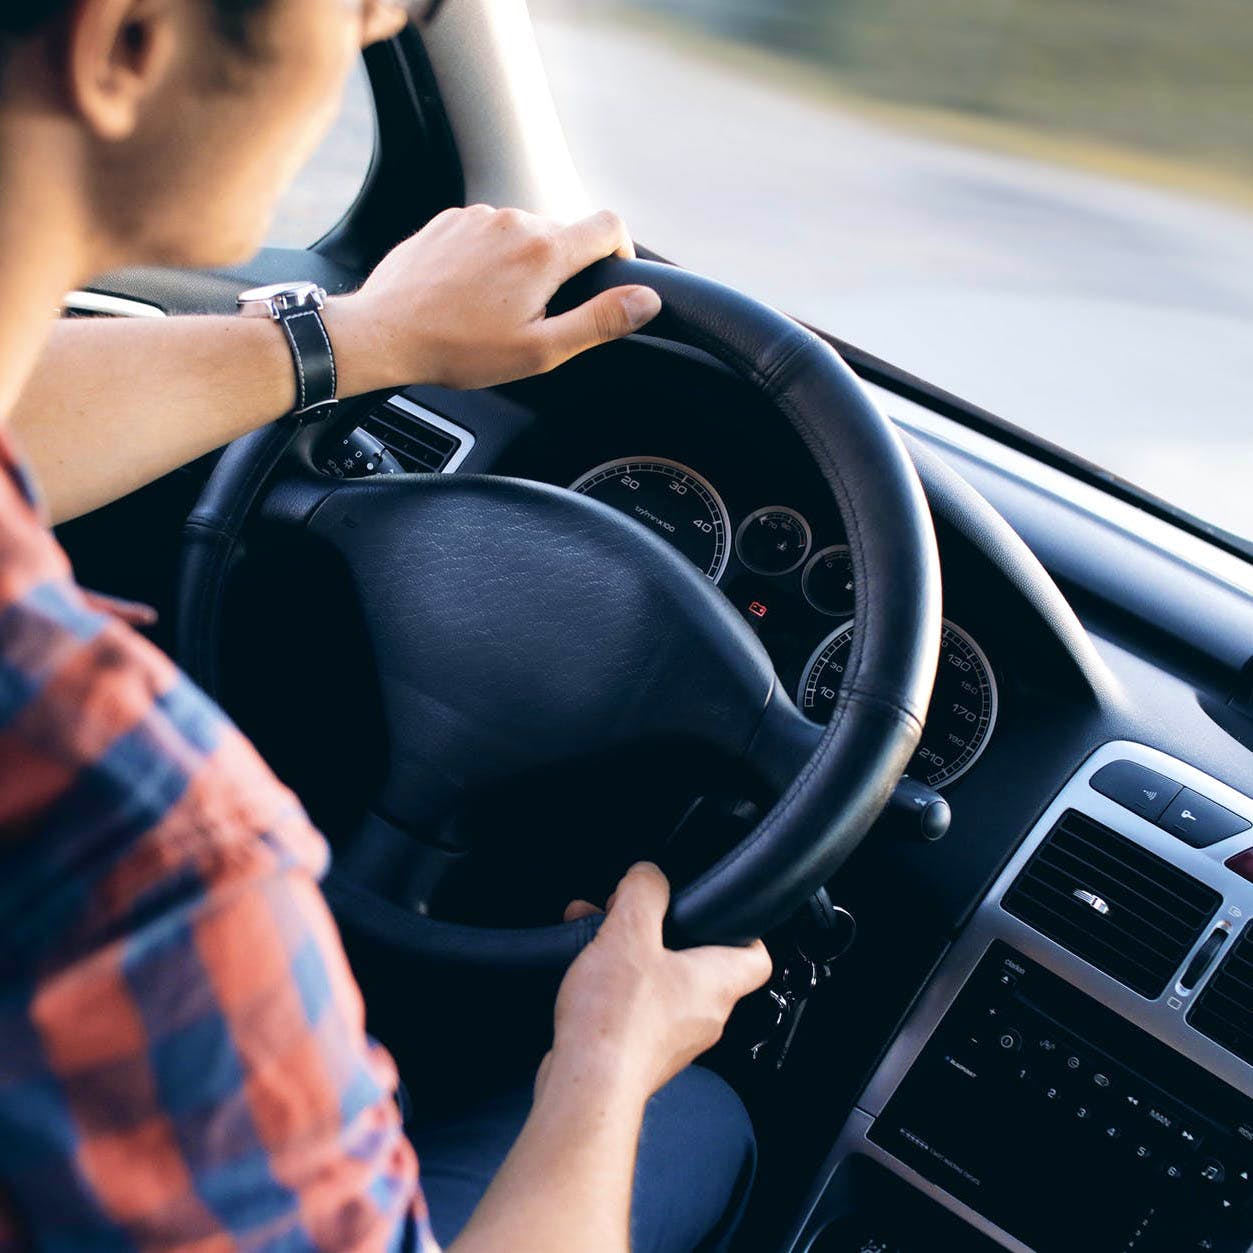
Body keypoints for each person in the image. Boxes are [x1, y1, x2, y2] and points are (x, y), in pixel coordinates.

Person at [0, 1, 774, 1250]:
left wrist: (360, 336)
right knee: (697, 1120)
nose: (371, 37)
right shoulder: (142, 843)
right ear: (125, 42)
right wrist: (605, 1063)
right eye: (361, 8)